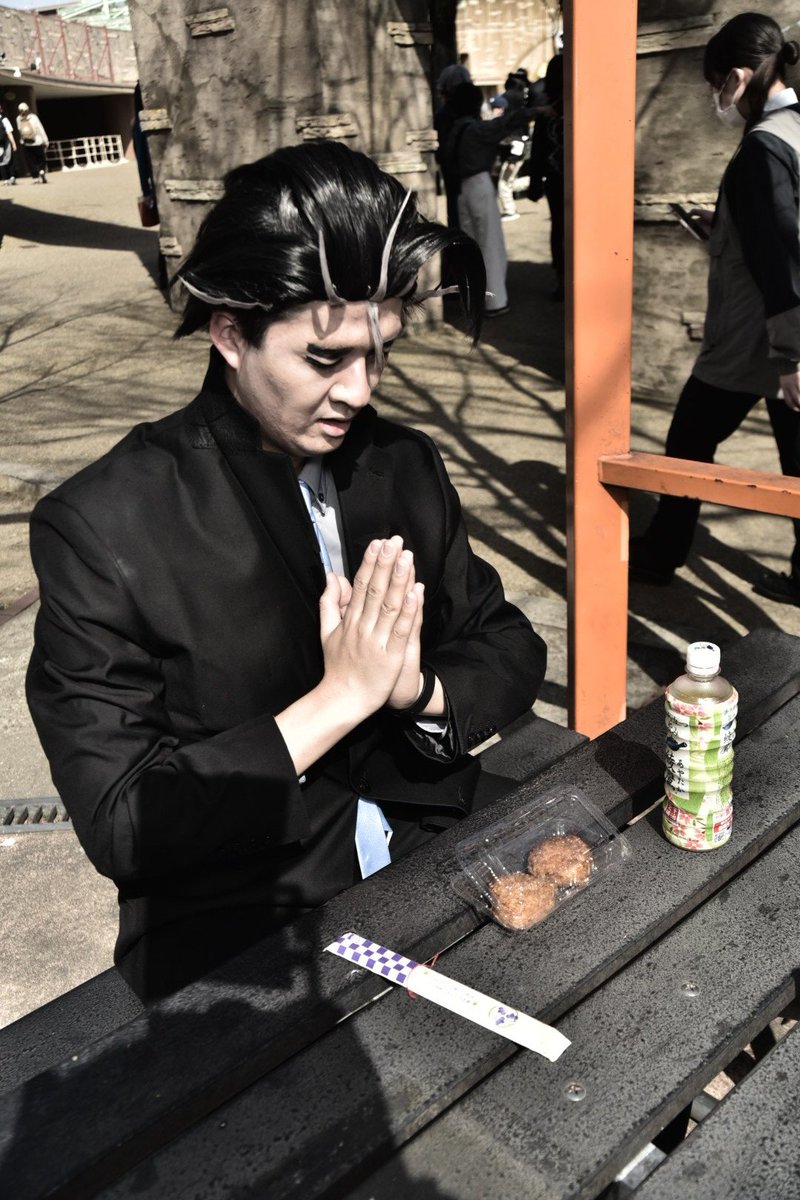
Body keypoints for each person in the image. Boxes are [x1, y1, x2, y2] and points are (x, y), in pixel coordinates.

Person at [27, 141, 547, 1002]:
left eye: (380, 352)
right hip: (247, 916)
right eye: (325, 359)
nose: (360, 390)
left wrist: (416, 692)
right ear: (231, 334)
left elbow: (508, 644)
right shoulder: (106, 525)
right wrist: (338, 700)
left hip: (435, 848)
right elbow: (124, 818)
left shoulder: (402, 464)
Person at [629, 13, 800, 603]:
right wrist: (724, 224)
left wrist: (791, 354)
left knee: (688, 442)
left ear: (738, 77)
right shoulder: (795, 130)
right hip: (781, 333)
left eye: (715, 84)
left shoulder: (762, 148)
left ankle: (660, 553)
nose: (716, 98)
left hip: (759, 337)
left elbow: (782, 254)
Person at [444, 81, 535, 316]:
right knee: (490, 244)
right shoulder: (476, 129)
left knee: (472, 246)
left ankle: (475, 300)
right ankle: (495, 302)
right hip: (479, 184)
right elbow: (506, 123)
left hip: (461, 190)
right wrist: (538, 110)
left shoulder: (455, 130)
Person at [528, 50, 565, 300]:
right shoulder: (583, 106)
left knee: (559, 228)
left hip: (555, 179)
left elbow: (538, 149)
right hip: (579, 182)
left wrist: (535, 182)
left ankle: (562, 280)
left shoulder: (548, 112)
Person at [16, 101, 48, 183]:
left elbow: (19, 130)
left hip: (26, 142)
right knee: (41, 158)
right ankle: (42, 170)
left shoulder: (18, 119)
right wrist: (45, 140)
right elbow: (40, 129)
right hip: (37, 141)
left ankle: (35, 177)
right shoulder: (33, 117)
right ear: (28, 109)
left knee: (31, 161)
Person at [0, 103, 16, 185]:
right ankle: (12, 177)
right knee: (10, 159)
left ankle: (5, 179)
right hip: (6, 142)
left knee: (1, 161)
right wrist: (13, 143)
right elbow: (9, 132)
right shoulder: (4, 119)